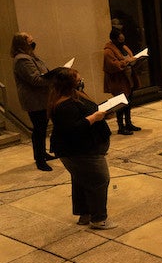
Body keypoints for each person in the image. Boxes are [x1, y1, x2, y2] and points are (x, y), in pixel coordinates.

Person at [49, 68, 115, 229]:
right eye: (78, 80)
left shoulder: (74, 96)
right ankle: (99, 219)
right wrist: (94, 117)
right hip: (80, 151)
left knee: (81, 180)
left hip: (85, 149)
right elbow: (73, 129)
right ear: (69, 84)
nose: (81, 82)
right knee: (100, 180)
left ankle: (85, 214)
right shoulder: (64, 105)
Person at [11, 32, 54, 171]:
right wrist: (55, 78)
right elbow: (35, 80)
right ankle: (40, 160)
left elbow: (43, 72)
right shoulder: (22, 59)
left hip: (42, 98)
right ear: (23, 43)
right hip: (35, 100)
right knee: (39, 129)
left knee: (42, 128)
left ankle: (42, 153)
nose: (33, 41)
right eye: (30, 40)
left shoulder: (31, 57)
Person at [103, 28, 141, 136]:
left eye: (123, 39)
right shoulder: (108, 51)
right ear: (114, 40)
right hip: (118, 81)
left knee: (129, 103)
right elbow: (113, 66)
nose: (122, 42)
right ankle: (121, 126)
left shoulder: (123, 47)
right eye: (120, 40)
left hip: (129, 79)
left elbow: (131, 58)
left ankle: (128, 123)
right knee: (121, 105)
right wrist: (127, 61)